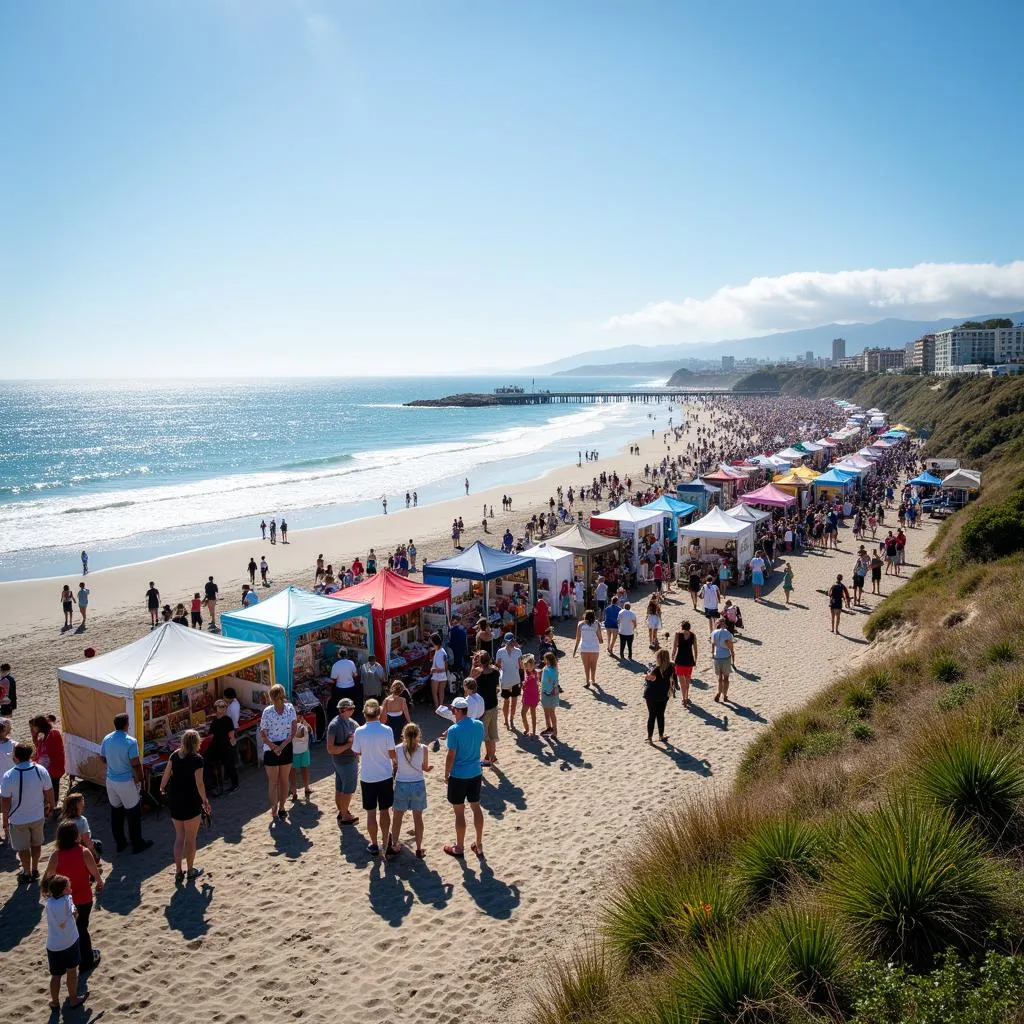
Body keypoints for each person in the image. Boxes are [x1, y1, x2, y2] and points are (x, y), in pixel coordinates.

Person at [41, 821, 103, 972]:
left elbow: (49, 876)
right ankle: (86, 959)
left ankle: (75, 956)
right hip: (84, 898)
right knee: (82, 927)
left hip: (64, 900)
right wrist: (100, 883)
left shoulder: (56, 856)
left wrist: (46, 891)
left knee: (71, 928)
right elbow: (95, 873)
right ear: (76, 835)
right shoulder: (84, 852)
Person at [158, 729, 211, 883]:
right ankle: (190, 870)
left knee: (179, 837)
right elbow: (199, 783)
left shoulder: (175, 755)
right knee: (191, 839)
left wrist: (162, 788)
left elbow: (166, 775)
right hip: (190, 800)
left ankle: (178, 871)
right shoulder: (197, 759)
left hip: (175, 799)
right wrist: (205, 801)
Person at [99, 713, 152, 853]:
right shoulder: (130, 741)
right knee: (133, 814)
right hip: (125, 782)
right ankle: (137, 844)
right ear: (126, 725)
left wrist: (113, 763)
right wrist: (141, 779)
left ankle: (120, 843)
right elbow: (135, 764)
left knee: (116, 812)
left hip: (111, 780)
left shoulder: (107, 738)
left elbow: (102, 758)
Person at [1, 742, 54, 882]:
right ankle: (35, 869)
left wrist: (5, 820)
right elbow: (49, 791)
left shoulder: (8, 776)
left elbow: (5, 802)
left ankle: (27, 871)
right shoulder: (40, 770)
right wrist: (51, 806)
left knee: (23, 848)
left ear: (15, 757)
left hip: (18, 819)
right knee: (36, 844)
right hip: (37, 816)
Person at [351, 699, 397, 857]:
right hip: (384, 775)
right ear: (379, 713)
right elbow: (392, 753)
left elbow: (356, 752)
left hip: (368, 777)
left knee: (371, 813)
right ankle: (385, 841)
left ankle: (374, 844)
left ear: (364, 714)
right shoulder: (387, 730)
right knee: (385, 811)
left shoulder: (359, 732)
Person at [443, 697, 485, 858]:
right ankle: (479, 844)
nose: (452, 712)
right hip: (475, 772)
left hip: (459, 775)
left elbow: (451, 755)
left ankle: (459, 847)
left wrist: (446, 773)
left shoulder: (454, 730)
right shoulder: (478, 725)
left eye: (453, 710)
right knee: (476, 807)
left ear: (458, 711)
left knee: (459, 812)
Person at [389, 722, 432, 858]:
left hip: (402, 784)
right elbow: (424, 767)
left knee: (397, 817)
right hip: (418, 783)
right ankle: (419, 848)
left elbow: (395, 766)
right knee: (417, 818)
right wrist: (428, 768)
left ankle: (394, 844)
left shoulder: (397, 749)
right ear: (418, 734)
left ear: (404, 735)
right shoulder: (423, 748)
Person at [44, 875, 85, 1010]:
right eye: (68, 886)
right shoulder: (65, 901)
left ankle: (55, 1002)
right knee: (72, 972)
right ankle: (73, 999)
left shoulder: (49, 902)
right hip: (69, 942)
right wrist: (73, 911)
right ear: (63, 890)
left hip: (53, 945)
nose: (70, 887)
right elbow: (67, 920)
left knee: (55, 976)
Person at [259, 684, 297, 820]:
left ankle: (277, 807)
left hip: (277, 747)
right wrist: (277, 747)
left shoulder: (277, 710)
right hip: (277, 747)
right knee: (281, 780)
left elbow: (264, 734)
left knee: (275, 781)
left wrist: (278, 747)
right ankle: (279, 807)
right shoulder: (275, 710)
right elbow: (292, 731)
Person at [326, 698, 359, 826]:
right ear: (344, 710)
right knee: (347, 790)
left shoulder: (351, 722)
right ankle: (345, 815)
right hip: (344, 762)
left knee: (340, 788)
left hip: (343, 761)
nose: (353, 710)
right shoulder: (335, 725)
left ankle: (342, 812)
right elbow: (330, 749)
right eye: (351, 708)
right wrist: (348, 745)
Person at [473, 650, 501, 766]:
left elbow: (469, 684)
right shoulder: (495, 672)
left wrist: (473, 666)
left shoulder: (479, 676)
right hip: (494, 706)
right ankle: (492, 757)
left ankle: (489, 759)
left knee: (486, 737)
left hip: (484, 709)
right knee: (492, 735)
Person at [31, 715, 66, 807]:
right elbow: (39, 748)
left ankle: (53, 805)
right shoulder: (45, 734)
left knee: (53, 786)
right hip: (48, 768)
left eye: (34, 726)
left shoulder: (53, 733)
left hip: (54, 768)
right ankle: (50, 804)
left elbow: (52, 752)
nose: (33, 728)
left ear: (39, 726)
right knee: (49, 787)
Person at [644, 648, 676, 744]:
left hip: (651, 695)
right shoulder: (671, 667)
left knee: (652, 715)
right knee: (660, 715)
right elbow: (672, 679)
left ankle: (649, 737)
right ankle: (661, 736)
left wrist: (645, 675)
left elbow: (650, 678)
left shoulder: (656, 669)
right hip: (663, 694)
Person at [207, 699, 238, 795]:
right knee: (209, 762)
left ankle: (235, 785)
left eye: (225, 706)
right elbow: (211, 734)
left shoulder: (227, 719)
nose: (223, 708)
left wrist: (231, 742)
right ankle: (215, 785)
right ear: (215, 708)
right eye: (221, 706)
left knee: (230, 766)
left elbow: (231, 733)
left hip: (226, 746)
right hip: (216, 747)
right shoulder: (214, 721)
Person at [496, 633, 523, 730]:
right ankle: (506, 719)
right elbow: (497, 664)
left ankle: (511, 718)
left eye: (512, 641)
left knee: (514, 701)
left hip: (515, 679)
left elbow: (520, 666)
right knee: (506, 701)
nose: (511, 643)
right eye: (509, 641)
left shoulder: (518, 651)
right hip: (505, 680)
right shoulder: (500, 652)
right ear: (505, 642)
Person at [573, 609, 603, 688]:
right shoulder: (597, 624)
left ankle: (587, 681)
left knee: (586, 666)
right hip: (594, 648)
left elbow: (578, 639)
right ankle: (593, 680)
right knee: (593, 665)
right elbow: (600, 639)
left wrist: (575, 651)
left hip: (584, 648)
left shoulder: (580, 624)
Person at [671, 620, 698, 706]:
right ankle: (686, 696)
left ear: (682, 627)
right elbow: (695, 649)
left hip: (680, 659)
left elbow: (675, 647)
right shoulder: (693, 635)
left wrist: (672, 656)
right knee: (687, 680)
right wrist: (695, 660)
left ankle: (683, 698)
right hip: (689, 660)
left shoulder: (678, 634)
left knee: (682, 681)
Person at [329, 648, 359, 720]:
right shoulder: (351, 663)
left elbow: (333, 678)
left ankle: (342, 717)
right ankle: (350, 716)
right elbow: (355, 675)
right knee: (350, 703)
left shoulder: (335, 665)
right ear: (346, 655)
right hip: (351, 687)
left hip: (340, 688)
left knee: (341, 704)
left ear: (339, 655)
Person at [710, 617, 735, 703]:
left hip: (717, 656)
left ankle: (719, 692)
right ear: (723, 624)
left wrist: (712, 653)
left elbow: (713, 644)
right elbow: (729, 645)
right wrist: (732, 653)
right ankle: (725, 695)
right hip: (725, 656)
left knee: (719, 678)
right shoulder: (727, 633)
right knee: (726, 678)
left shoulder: (713, 632)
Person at [289, 716, 313, 801]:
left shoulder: (291, 726)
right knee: (304, 769)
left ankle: (294, 791)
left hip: (294, 752)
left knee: (293, 772)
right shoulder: (304, 726)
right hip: (303, 751)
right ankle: (306, 788)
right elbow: (310, 730)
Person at [382, 680, 412, 744]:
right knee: (398, 739)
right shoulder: (402, 700)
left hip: (389, 722)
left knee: (390, 739)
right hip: (400, 722)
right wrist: (410, 723)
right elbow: (406, 713)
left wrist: (381, 725)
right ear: (401, 691)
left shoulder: (386, 700)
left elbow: (383, 715)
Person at [540, 651, 560, 737]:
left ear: (548, 660)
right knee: (550, 713)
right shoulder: (553, 668)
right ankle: (552, 730)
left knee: (549, 713)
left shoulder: (548, 669)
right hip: (549, 692)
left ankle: (552, 730)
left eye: (545, 659)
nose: (544, 661)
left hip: (548, 693)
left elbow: (548, 681)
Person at [520, 653, 540, 735]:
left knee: (532, 713)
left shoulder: (533, 674)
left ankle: (533, 730)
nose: (528, 667)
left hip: (532, 695)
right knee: (523, 713)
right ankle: (527, 728)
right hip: (527, 695)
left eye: (529, 665)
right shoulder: (527, 672)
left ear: (533, 665)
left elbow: (530, 681)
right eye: (526, 666)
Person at [429, 632, 450, 708]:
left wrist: (433, 670)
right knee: (441, 692)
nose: (429, 641)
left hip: (437, 676)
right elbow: (446, 665)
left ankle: (437, 706)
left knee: (434, 692)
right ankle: (440, 707)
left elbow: (440, 668)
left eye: (430, 640)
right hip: (443, 676)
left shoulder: (439, 652)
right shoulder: (442, 651)